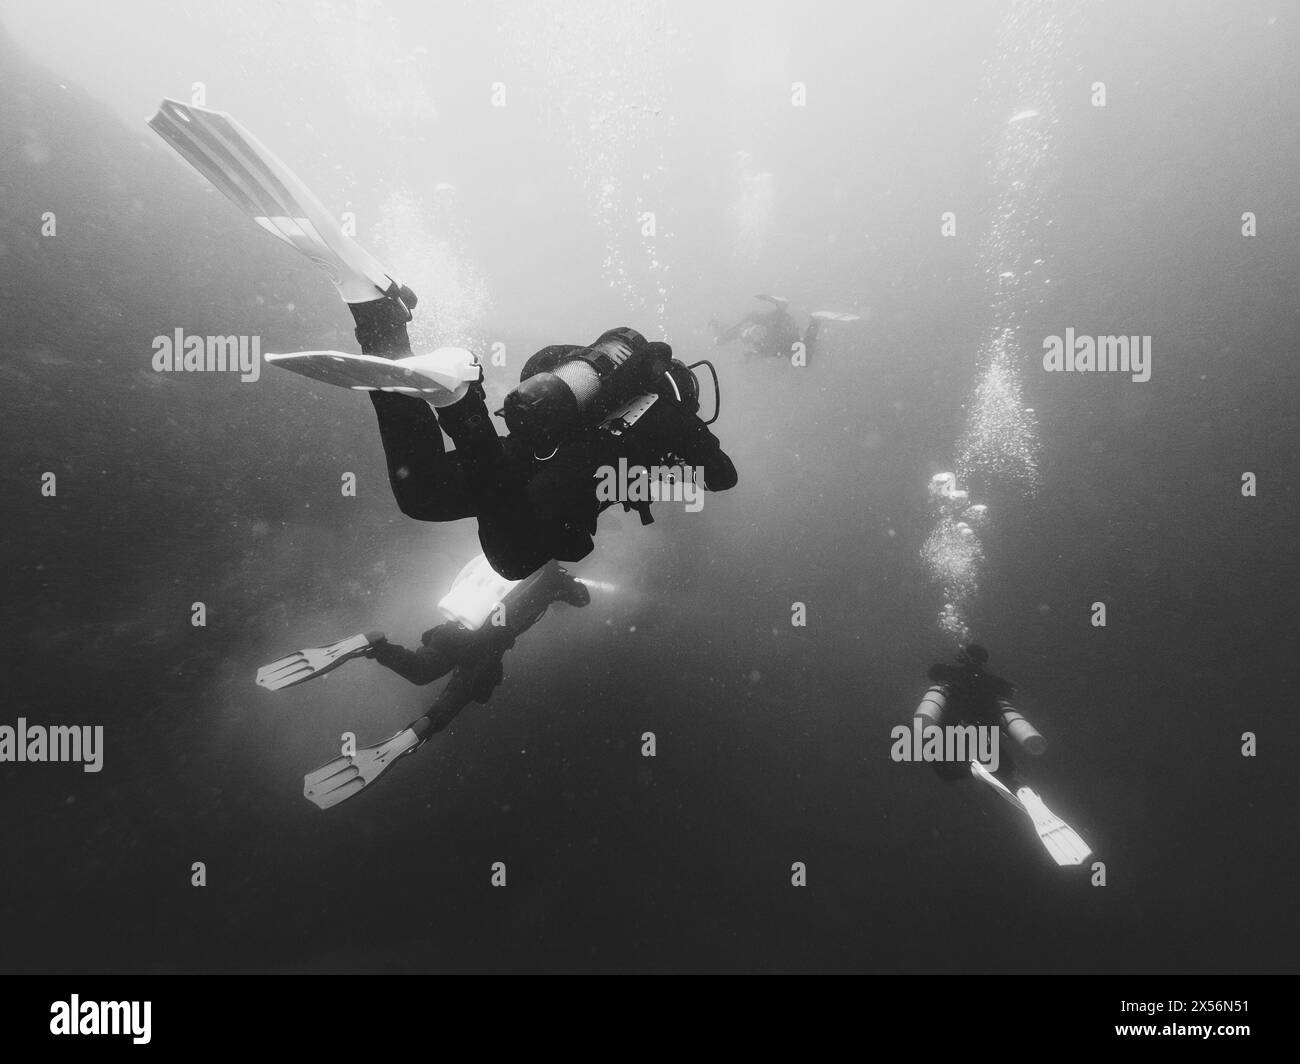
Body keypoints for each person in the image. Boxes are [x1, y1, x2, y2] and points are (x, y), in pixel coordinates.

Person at [149, 98, 737, 583]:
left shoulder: (605, 370)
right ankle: (459, 402)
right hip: (556, 480)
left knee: (426, 494)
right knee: (511, 558)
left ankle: (379, 313)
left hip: (525, 446)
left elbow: (542, 363)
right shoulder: (678, 420)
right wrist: (688, 459)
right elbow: (723, 478)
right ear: (683, 386)